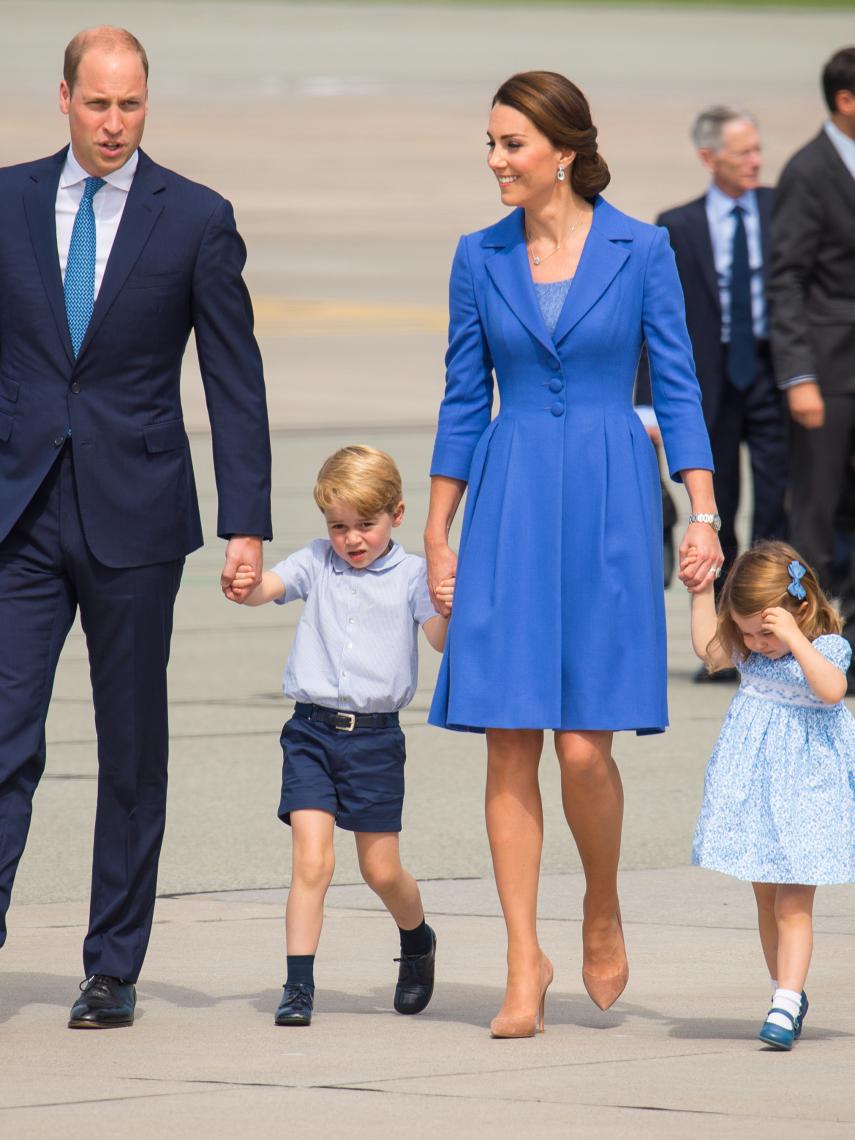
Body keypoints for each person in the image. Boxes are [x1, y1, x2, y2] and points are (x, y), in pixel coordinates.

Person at [423, 71, 720, 1038]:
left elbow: (676, 387)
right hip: (507, 500)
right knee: (509, 738)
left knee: (584, 746)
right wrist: (437, 528)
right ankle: (522, 959)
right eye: (491, 142)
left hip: (606, 500)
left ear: (562, 150)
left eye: (512, 143)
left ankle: (600, 901)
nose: (496, 160)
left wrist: (705, 513)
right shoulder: (478, 255)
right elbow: (465, 398)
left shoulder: (642, 248)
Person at [0, 27, 272, 1029]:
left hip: (137, 521)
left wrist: (246, 522)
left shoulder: (195, 217)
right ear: (63, 98)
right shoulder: (7, 200)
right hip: (18, 515)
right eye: (98, 104)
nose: (115, 124)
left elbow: (233, 381)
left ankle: (112, 965)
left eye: (132, 105)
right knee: (3, 735)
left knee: (131, 748)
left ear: (146, 103)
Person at [231, 446, 453, 1027]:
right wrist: (246, 583)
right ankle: (299, 985)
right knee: (313, 861)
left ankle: (417, 938)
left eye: (365, 525)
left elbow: (438, 640)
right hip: (309, 732)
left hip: (376, 741)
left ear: (397, 515)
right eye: (338, 526)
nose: (351, 539)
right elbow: (267, 589)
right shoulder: (315, 561)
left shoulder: (410, 577)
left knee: (381, 870)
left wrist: (452, 608)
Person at [636, 106, 788, 684]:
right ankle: (725, 642)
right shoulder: (676, 224)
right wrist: (648, 402)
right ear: (709, 158)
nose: (755, 161)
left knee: (778, 503)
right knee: (714, 506)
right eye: (743, 152)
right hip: (709, 383)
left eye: (757, 150)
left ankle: (772, 632)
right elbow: (655, 325)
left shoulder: (780, 209)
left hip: (772, 377)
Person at [688, 540, 855, 1050]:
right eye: (746, 632)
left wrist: (795, 640)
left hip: (807, 790)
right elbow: (707, 651)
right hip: (756, 789)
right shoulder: (750, 651)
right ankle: (786, 989)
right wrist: (700, 590)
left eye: (765, 632)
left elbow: (832, 690)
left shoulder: (825, 647)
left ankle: (785, 1001)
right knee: (765, 897)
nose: (756, 643)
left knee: (792, 900)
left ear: (799, 609)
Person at [769, 47, 855, 693]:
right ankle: (809, 647)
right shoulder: (808, 170)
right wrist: (797, 375)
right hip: (825, 376)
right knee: (814, 521)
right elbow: (787, 278)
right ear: (844, 101)